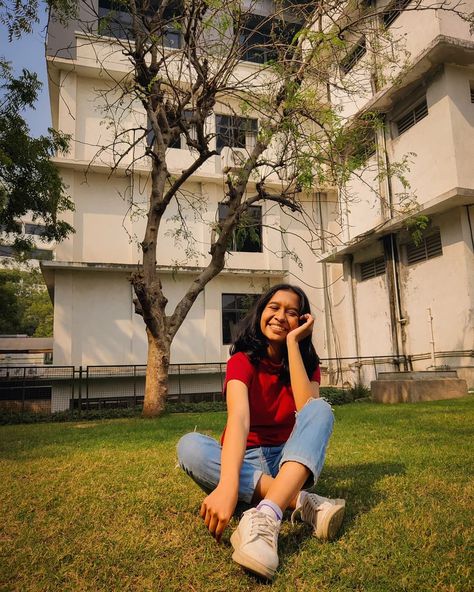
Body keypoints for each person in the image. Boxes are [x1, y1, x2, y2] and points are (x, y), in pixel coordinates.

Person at [177, 283, 345, 580]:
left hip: (289, 461)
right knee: (190, 446)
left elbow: (307, 412)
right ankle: (302, 502)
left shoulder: (308, 364)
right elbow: (239, 420)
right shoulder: (242, 360)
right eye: (274, 307)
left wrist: (293, 345)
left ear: (302, 321)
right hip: (245, 460)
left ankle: (267, 514)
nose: (281, 316)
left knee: (319, 408)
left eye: (292, 312)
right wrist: (228, 485)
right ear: (260, 313)